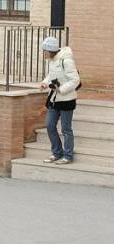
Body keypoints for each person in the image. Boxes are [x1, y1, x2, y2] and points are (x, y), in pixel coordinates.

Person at [39, 36, 79, 164]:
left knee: (66, 129)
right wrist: (45, 83)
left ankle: (67, 155)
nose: (44, 53)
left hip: (66, 99)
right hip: (54, 99)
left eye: (45, 51)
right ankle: (56, 152)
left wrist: (61, 89)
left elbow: (75, 80)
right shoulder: (52, 60)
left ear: (51, 50)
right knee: (50, 125)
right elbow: (51, 75)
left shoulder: (66, 61)